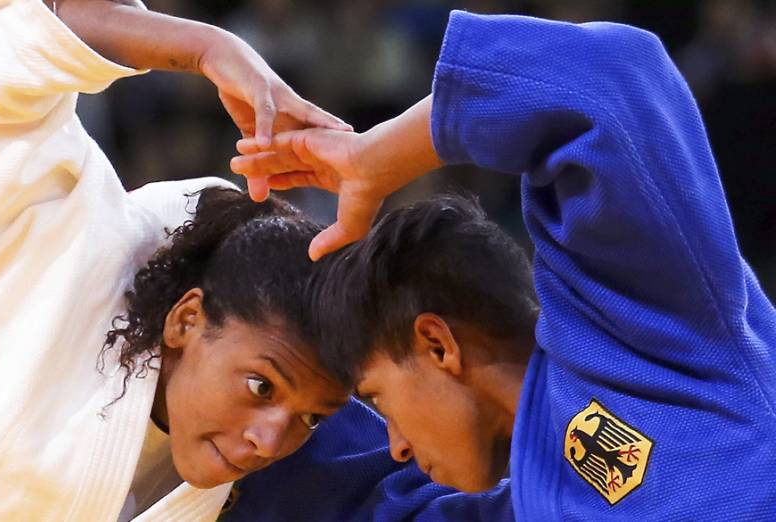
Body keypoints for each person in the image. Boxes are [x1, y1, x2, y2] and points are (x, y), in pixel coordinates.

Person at [0, 0, 484, 520]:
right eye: (260, 387)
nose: (270, 440)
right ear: (185, 321)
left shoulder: (304, 437)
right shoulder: (49, 254)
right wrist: (207, 48)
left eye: (311, 418)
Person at [232, 9, 776, 520]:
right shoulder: (517, 503)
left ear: (438, 344)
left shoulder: (633, 331)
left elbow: (608, 79)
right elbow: (350, 491)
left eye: (378, 399)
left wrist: (374, 158)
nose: (395, 443)